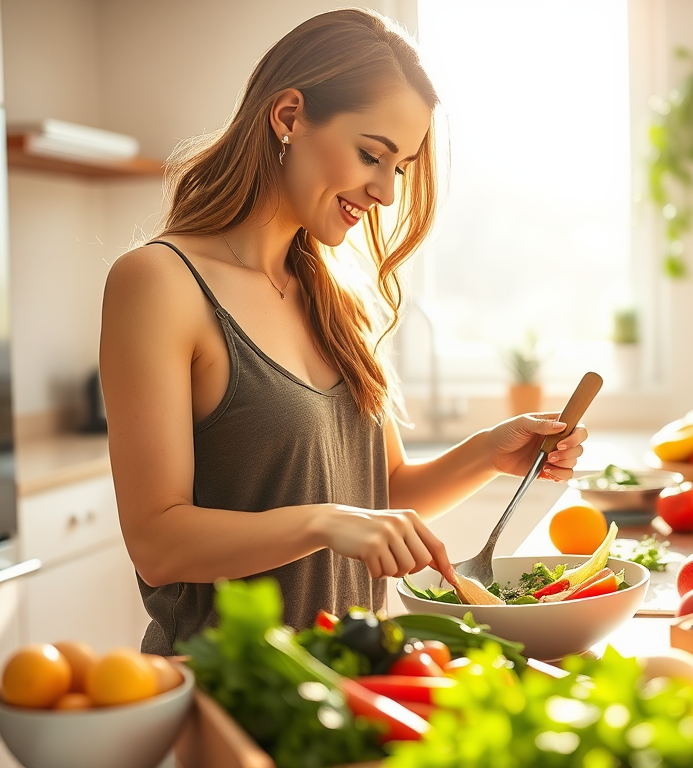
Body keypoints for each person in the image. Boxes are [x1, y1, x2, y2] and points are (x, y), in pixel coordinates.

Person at [99, 7, 588, 656]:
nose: (386, 192)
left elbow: (380, 494)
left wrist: (490, 453)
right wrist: (325, 524)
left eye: (401, 168)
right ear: (289, 116)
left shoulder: (336, 298)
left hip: (348, 683)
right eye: (372, 155)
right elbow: (158, 543)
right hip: (229, 697)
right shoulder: (159, 282)